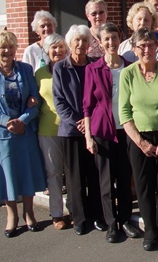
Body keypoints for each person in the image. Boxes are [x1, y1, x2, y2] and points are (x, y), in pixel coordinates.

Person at [0, 30, 46, 238]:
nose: (7, 50)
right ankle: (11, 215)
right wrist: (8, 122)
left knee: (26, 172)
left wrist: (22, 121)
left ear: (16, 49)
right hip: (0, 135)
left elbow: (35, 100)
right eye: (2, 47)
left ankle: (29, 213)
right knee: (7, 175)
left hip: (25, 132)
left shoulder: (25, 70)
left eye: (11, 46)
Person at [119, 28, 158, 252]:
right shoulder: (127, 74)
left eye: (151, 45)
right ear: (134, 49)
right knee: (144, 188)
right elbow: (124, 113)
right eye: (142, 46)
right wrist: (141, 142)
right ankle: (151, 232)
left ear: (157, 47)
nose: (147, 49)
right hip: (139, 139)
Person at [83, 23, 140, 243]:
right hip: (102, 132)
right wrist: (88, 136)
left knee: (125, 177)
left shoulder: (130, 66)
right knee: (106, 181)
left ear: (120, 39)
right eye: (106, 39)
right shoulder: (93, 69)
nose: (111, 43)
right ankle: (110, 223)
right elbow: (87, 106)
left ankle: (125, 219)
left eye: (114, 38)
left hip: (126, 130)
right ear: (100, 42)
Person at [53, 24, 105, 235]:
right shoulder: (60, 68)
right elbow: (59, 101)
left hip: (94, 129)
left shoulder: (95, 65)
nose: (81, 44)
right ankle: (79, 218)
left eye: (84, 40)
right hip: (71, 131)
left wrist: (91, 122)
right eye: (77, 41)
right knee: (75, 177)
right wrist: (79, 122)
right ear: (70, 43)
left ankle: (97, 215)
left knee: (94, 174)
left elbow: (101, 97)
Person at [35, 33, 70, 230]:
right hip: (48, 129)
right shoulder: (39, 74)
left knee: (73, 172)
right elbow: (34, 101)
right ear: (47, 51)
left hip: (72, 129)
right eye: (53, 48)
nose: (58, 51)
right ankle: (57, 213)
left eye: (61, 47)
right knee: (54, 173)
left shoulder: (71, 69)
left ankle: (75, 209)